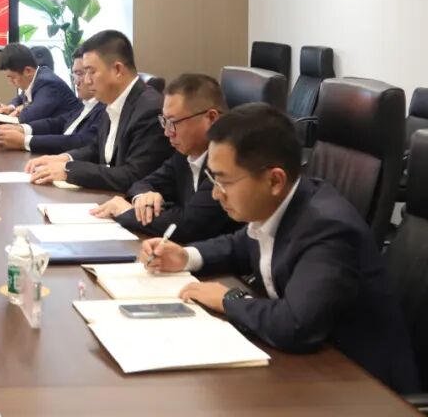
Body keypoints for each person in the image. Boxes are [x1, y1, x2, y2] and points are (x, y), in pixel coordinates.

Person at [143, 104, 419, 393]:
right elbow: (240, 245)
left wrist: (228, 299)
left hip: (365, 388)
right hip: (314, 367)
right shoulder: (281, 204)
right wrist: (186, 256)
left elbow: (294, 325)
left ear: (275, 180)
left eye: (223, 181)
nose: (215, 194)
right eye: (213, 179)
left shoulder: (329, 229)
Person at [91, 73, 240, 243]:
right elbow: (142, 183)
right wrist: (144, 197)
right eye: (165, 121)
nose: (168, 132)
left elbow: (188, 225)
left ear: (211, 118)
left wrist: (126, 212)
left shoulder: (229, 160)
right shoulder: (185, 154)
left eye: (174, 122)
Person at [26, 30, 172, 191]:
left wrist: (69, 171)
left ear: (117, 70)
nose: (87, 81)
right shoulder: (113, 100)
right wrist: (64, 159)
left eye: (91, 72)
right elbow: (96, 149)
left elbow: (134, 175)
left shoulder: (149, 110)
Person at [0, 48, 105, 153]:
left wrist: (25, 141)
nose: (76, 82)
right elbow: (59, 123)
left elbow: (79, 141)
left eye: (81, 74)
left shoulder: (48, 82)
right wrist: (22, 128)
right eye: (75, 74)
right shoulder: (85, 103)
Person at [0, 43, 79, 126]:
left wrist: (19, 110)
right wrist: (10, 107)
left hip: (68, 134)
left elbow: (28, 117)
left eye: (12, 77)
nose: (10, 82)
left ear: (28, 71)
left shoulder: (48, 84)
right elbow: (21, 97)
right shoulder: (37, 77)